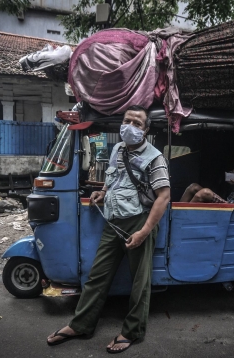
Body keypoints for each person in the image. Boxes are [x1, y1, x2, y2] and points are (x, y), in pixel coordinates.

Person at [46, 106, 170, 354]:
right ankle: (81, 325)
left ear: (145, 130)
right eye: (127, 121)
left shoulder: (154, 158)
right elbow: (114, 180)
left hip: (139, 222)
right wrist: (102, 193)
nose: (130, 126)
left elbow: (163, 197)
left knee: (139, 283)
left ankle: (132, 331)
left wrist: (144, 232)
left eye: (137, 123)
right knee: (97, 276)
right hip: (114, 222)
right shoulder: (118, 149)